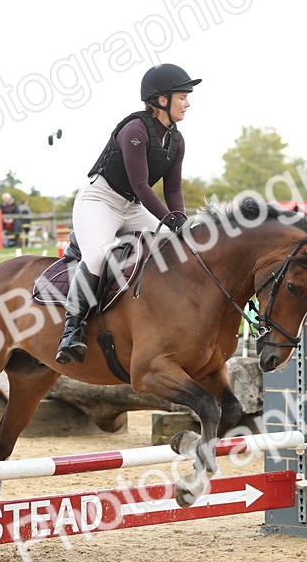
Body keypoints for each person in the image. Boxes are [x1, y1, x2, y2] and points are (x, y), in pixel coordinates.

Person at [55, 62, 200, 364]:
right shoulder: (135, 130)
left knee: (175, 248)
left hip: (132, 207)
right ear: (162, 99)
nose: (188, 103)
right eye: (183, 96)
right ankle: (72, 331)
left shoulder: (177, 139)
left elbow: (173, 190)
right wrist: (169, 220)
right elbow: (141, 184)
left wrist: (181, 220)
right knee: (96, 257)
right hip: (100, 200)